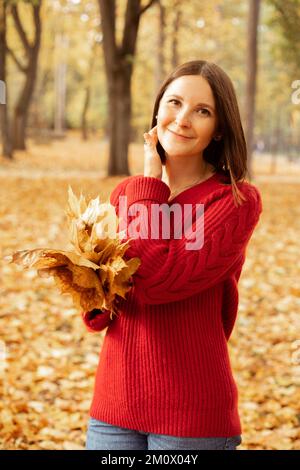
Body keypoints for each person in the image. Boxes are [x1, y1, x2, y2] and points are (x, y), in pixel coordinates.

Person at [82, 60, 263, 450]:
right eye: (174, 103)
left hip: (191, 416)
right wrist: (91, 287)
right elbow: (106, 305)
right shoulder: (126, 194)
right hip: (114, 406)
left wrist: (151, 181)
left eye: (202, 111)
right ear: (158, 109)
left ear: (218, 130)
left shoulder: (233, 200)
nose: (182, 119)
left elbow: (159, 282)